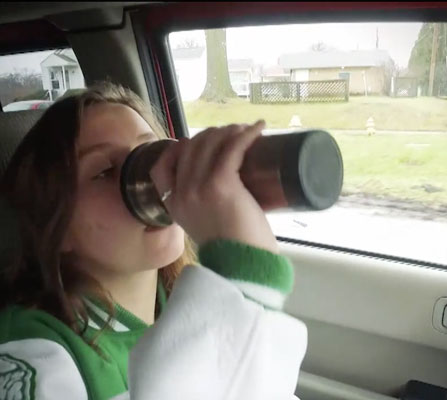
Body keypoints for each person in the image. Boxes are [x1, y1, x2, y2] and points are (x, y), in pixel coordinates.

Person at [0, 82, 307, 400]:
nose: (151, 179)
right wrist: (247, 281)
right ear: (55, 224)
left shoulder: (186, 299)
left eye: (151, 155)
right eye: (105, 171)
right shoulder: (30, 351)